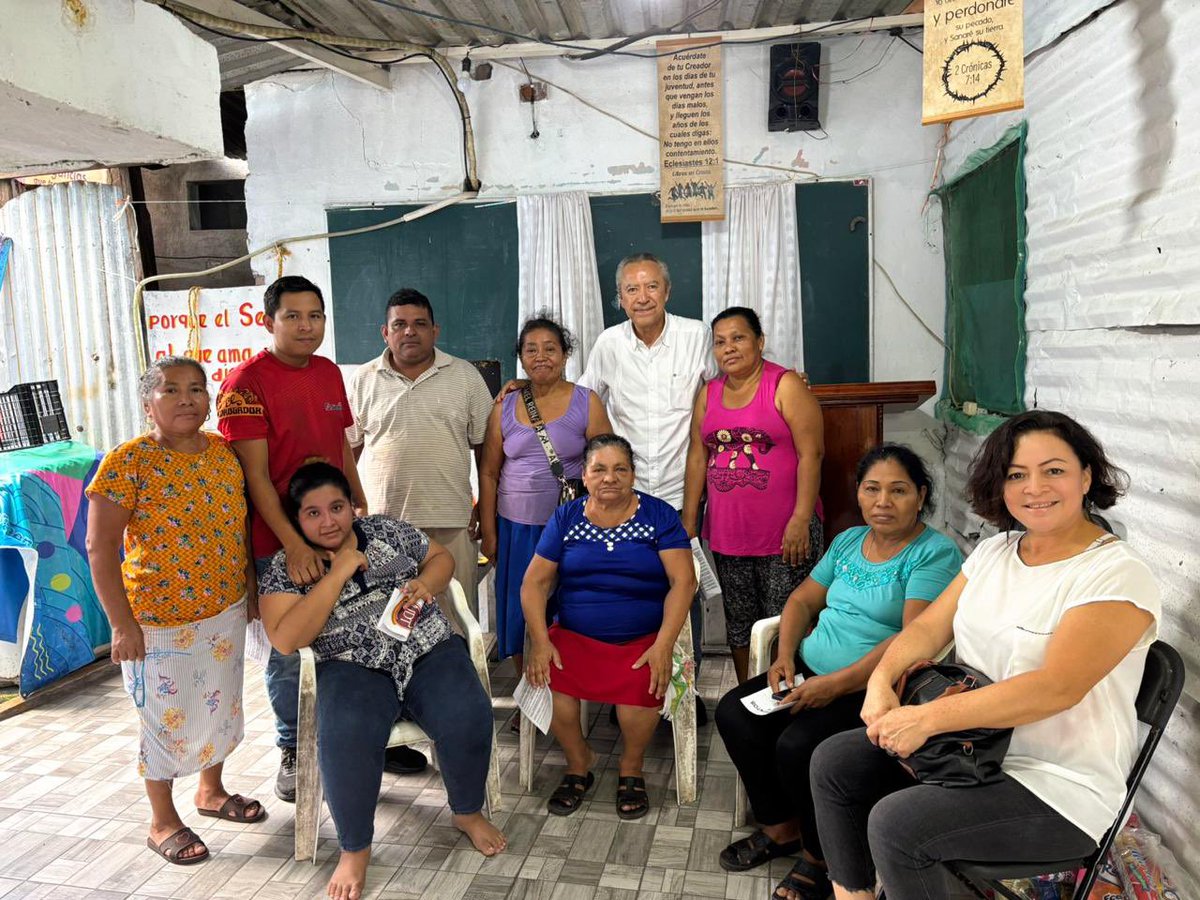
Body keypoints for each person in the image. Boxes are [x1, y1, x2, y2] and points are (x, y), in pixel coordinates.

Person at [809, 411, 1161, 900]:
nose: (1034, 487)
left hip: (1055, 786)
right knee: (836, 761)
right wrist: (881, 679)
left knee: (898, 825)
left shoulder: (1115, 573)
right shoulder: (996, 551)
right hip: (968, 751)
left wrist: (928, 718)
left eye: (1054, 470)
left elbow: (1055, 687)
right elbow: (930, 626)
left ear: (1086, 476)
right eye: (1017, 474)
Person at [713, 444, 962, 899]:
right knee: (734, 713)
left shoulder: (933, 554)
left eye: (898, 490)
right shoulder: (848, 540)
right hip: (811, 668)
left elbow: (912, 636)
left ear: (921, 495)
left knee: (798, 746)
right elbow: (803, 600)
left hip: (876, 687)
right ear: (859, 493)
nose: (883, 501)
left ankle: (820, 855)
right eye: (872, 489)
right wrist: (784, 656)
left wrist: (839, 684)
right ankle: (779, 827)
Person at [257, 462, 506, 900]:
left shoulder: (386, 531)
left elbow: (440, 557)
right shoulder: (288, 567)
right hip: (351, 665)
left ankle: (467, 812)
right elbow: (286, 638)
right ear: (296, 520)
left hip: (425, 646)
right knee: (347, 734)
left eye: (336, 507)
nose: (328, 520)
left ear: (352, 506)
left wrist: (426, 584)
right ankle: (355, 848)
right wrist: (338, 572)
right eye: (312, 513)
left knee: (467, 711)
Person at [86, 357, 264, 866]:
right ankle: (161, 820)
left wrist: (249, 588)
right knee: (164, 720)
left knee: (220, 706)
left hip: (224, 610)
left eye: (195, 389)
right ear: (148, 404)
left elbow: (240, 528)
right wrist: (122, 624)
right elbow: (99, 548)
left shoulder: (224, 455)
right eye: (171, 390)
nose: (186, 399)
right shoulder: (128, 461)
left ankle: (210, 792)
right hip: (158, 622)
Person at [216, 275, 384, 802]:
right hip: (279, 541)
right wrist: (293, 543)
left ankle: (369, 729)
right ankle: (292, 748)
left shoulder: (330, 373)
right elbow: (256, 479)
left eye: (315, 315)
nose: (306, 325)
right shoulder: (245, 384)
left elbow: (340, 447)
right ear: (269, 321)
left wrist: (359, 507)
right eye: (293, 316)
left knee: (358, 629)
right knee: (291, 647)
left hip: (336, 531)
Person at [522, 434, 697, 820]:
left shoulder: (658, 516)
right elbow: (534, 582)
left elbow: (684, 582)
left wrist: (664, 644)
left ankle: (631, 767)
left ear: (634, 475)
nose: (609, 478)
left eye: (621, 469)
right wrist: (539, 641)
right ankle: (578, 760)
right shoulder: (566, 517)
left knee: (642, 686)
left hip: (644, 639)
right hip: (574, 636)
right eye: (599, 469)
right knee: (545, 679)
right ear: (584, 476)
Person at [577, 253, 715, 721]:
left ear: (667, 291)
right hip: (625, 498)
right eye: (632, 290)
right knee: (634, 591)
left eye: (651, 286)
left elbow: (730, 387)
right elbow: (584, 399)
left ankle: (684, 692)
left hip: (681, 492)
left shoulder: (697, 337)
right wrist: (525, 385)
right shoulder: (608, 344)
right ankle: (634, 685)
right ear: (620, 298)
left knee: (685, 590)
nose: (643, 297)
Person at [683, 306, 825, 684]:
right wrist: (689, 518)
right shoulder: (709, 394)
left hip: (784, 533)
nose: (729, 348)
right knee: (740, 622)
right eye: (720, 342)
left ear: (759, 342)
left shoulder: (784, 385)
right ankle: (751, 696)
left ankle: (793, 696)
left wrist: (801, 519)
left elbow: (812, 454)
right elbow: (698, 455)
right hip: (730, 533)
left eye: (739, 338)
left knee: (788, 620)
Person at [478, 316, 610, 697]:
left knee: (567, 608)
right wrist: (490, 532)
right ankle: (531, 693)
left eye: (550, 348)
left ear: (566, 354)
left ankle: (569, 689)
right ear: (520, 357)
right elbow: (488, 472)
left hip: (571, 529)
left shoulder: (586, 401)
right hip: (516, 526)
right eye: (531, 349)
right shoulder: (505, 405)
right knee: (521, 611)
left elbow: (605, 467)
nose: (541, 357)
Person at [347, 288, 494, 621]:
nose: (409, 331)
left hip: (452, 523)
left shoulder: (465, 377)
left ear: (435, 331)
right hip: (384, 528)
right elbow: (349, 450)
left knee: (456, 621)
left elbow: (487, 452)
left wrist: (486, 511)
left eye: (419, 323)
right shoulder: (362, 380)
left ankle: (458, 673)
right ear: (385, 332)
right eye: (399, 324)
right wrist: (352, 509)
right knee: (392, 622)